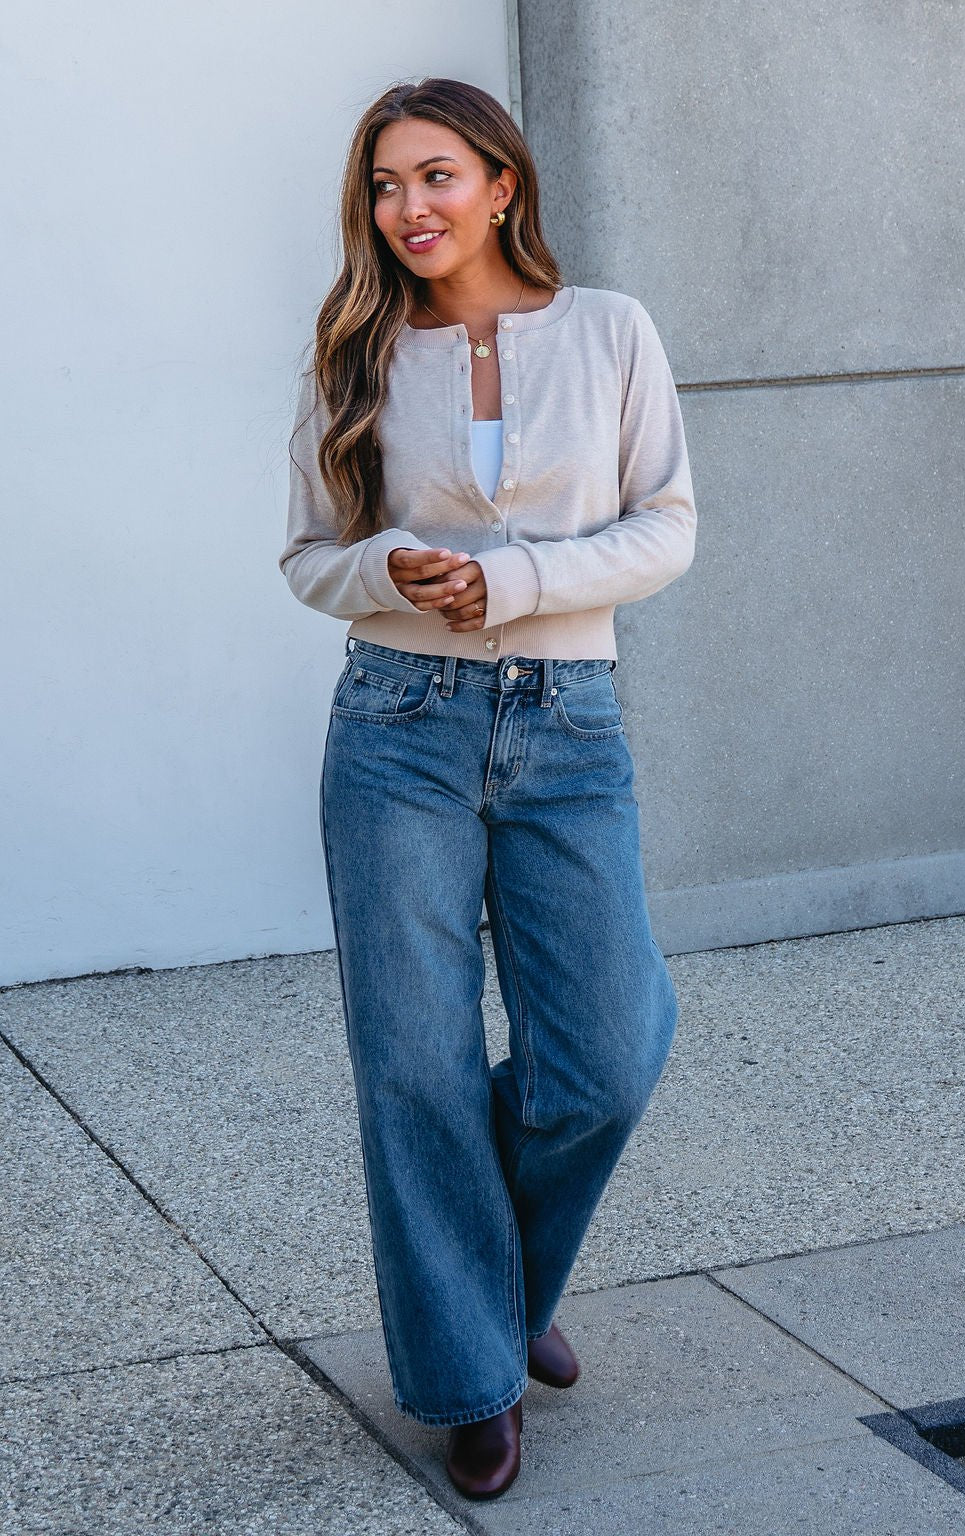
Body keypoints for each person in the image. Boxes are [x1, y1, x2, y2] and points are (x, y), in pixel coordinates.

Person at [279, 76, 697, 1501]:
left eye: (437, 177)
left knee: (611, 1046)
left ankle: (499, 1280)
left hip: (568, 719)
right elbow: (305, 555)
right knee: (416, 1058)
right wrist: (388, 568)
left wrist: (513, 579)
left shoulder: (612, 331)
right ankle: (469, 1372)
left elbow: (665, 528)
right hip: (399, 721)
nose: (410, 210)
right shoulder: (356, 350)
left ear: (503, 183)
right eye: (387, 187)